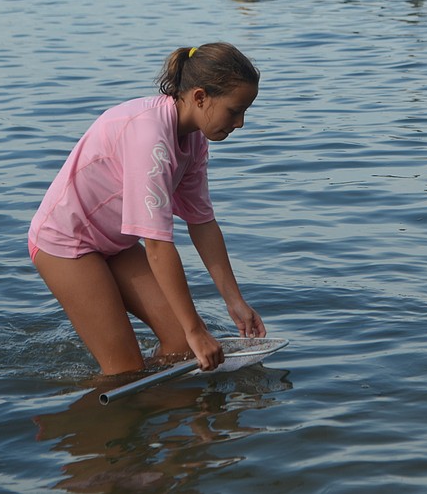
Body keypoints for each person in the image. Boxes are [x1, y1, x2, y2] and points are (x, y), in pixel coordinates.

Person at [28, 42, 266, 376]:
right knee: (125, 369)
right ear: (200, 97)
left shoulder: (195, 138)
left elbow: (202, 223)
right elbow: (156, 245)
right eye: (234, 111)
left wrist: (235, 302)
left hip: (115, 242)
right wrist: (197, 330)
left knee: (182, 346)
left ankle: (160, 413)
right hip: (67, 243)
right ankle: (95, 410)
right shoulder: (150, 138)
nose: (240, 122)